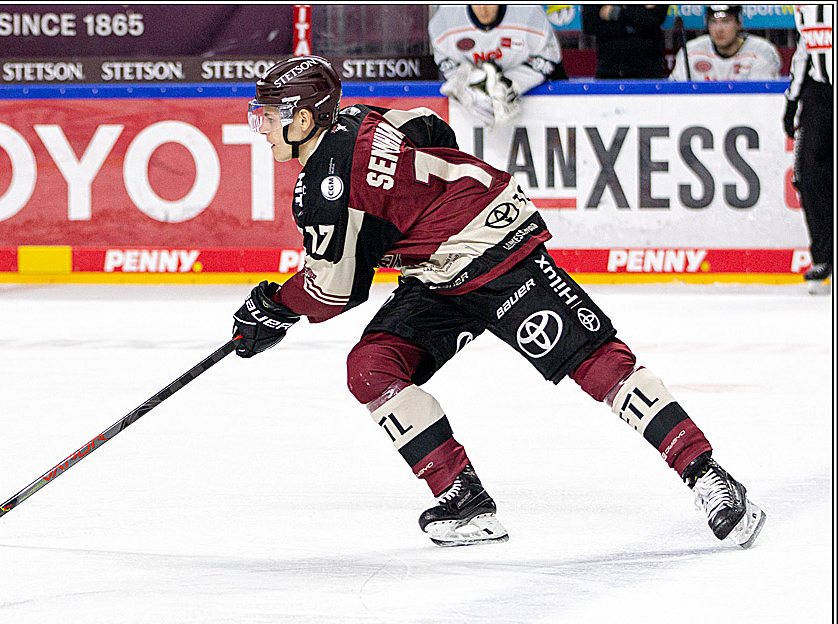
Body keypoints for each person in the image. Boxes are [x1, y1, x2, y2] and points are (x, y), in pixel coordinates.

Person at [233, 55, 766, 549]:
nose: (263, 128)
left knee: (594, 361)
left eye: (271, 115)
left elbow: (334, 290)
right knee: (371, 367)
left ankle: (708, 475)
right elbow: (429, 127)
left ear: (304, 120)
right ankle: (463, 498)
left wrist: (273, 305)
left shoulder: (324, 184)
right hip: (441, 269)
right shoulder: (360, 119)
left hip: (493, 255)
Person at [428, 5, 567, 128]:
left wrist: (510, 84)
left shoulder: (530, 13)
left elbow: (548, 59)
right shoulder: (443, 21)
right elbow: (448, 63)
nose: (483, 8)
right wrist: (474, 82)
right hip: (474, 115)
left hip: (534, 98)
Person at [784, 4, 833, 294]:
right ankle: (825, 256)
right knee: (808, 176)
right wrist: (792, 100)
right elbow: (806, 46)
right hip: (818, 92)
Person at [669, 5, 781, 81]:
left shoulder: (761, 51)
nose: (719, 29)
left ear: (739, 24)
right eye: (713, 22)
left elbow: (763, 99)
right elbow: (674, 95)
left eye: (726, 21)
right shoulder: (690, 52)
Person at [582, 4, 670, 79]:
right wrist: (633, 26)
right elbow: (590, 24)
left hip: (648, 70)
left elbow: (654, 18)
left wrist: (614, 12)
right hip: (609, 71)